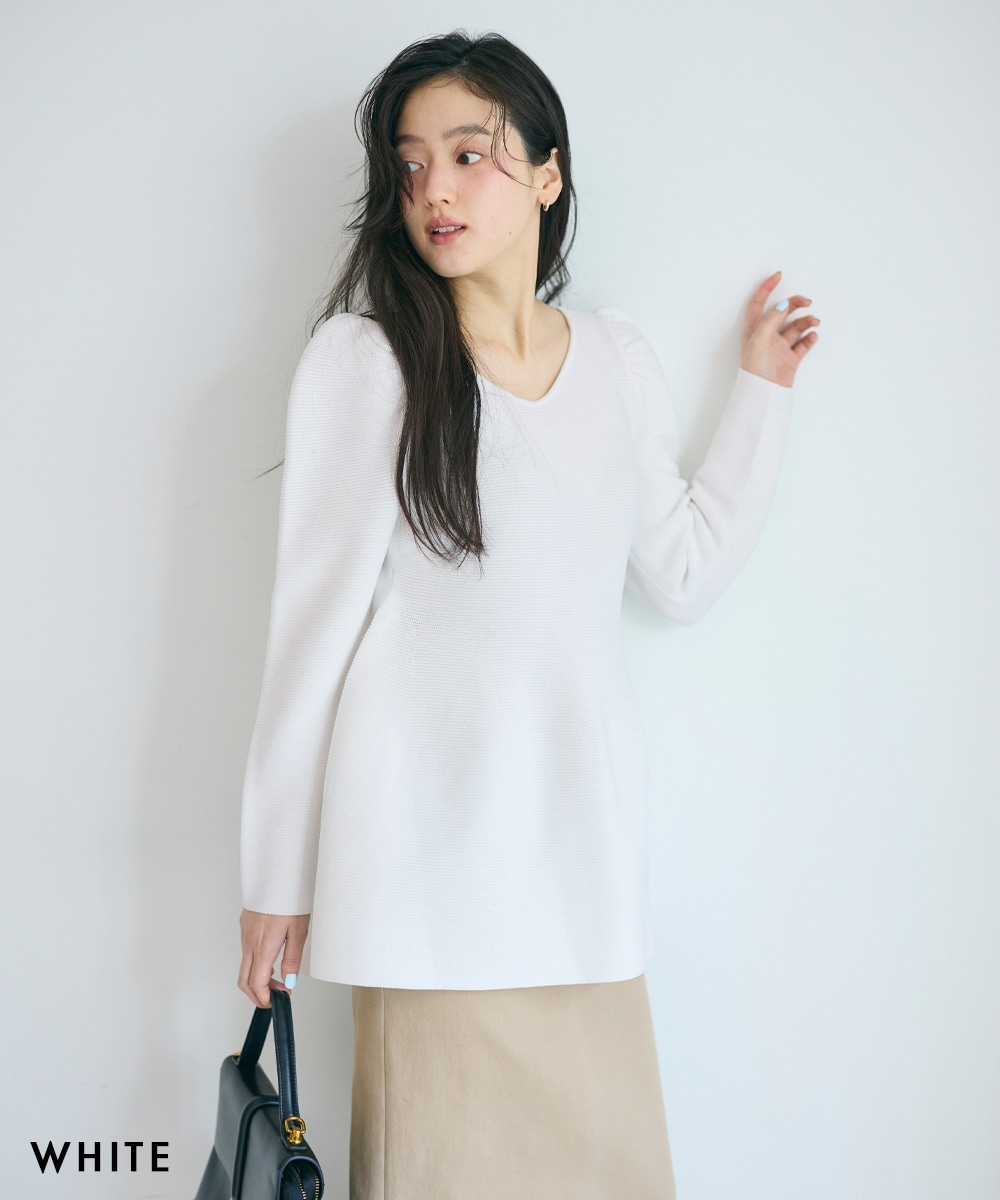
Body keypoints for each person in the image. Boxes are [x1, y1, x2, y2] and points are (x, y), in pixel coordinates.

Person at [236, 29, 819, 1200]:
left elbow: (683, 574)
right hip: (425, 896)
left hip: (581, 888)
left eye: (469, 154)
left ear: (548, 174)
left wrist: (760, 392)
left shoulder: (616, 359)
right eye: (410, 165)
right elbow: (308, 641)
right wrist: (273, 880)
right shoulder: (368, 364)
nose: (434, 192)